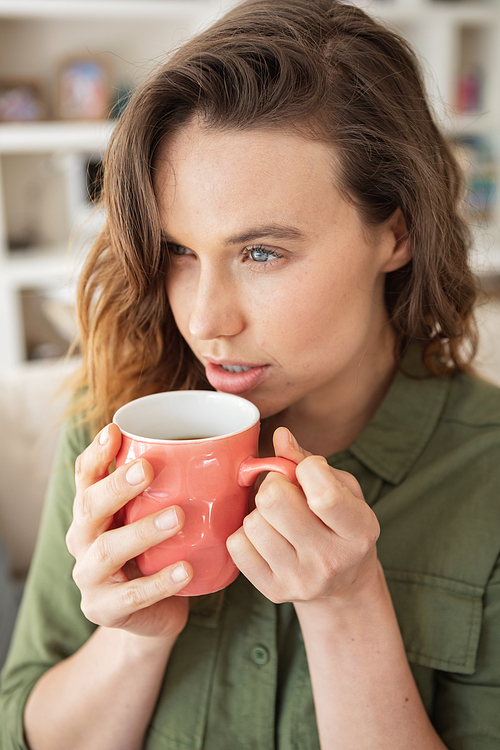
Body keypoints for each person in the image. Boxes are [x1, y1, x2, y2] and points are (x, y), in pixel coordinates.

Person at [1, 0, 500, 748]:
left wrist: (347, 609)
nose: (205, 320)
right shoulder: (110, 444)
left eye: (262, 253)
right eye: (178, 251)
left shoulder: (485, 473)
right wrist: (136, 636)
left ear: (395, 231)